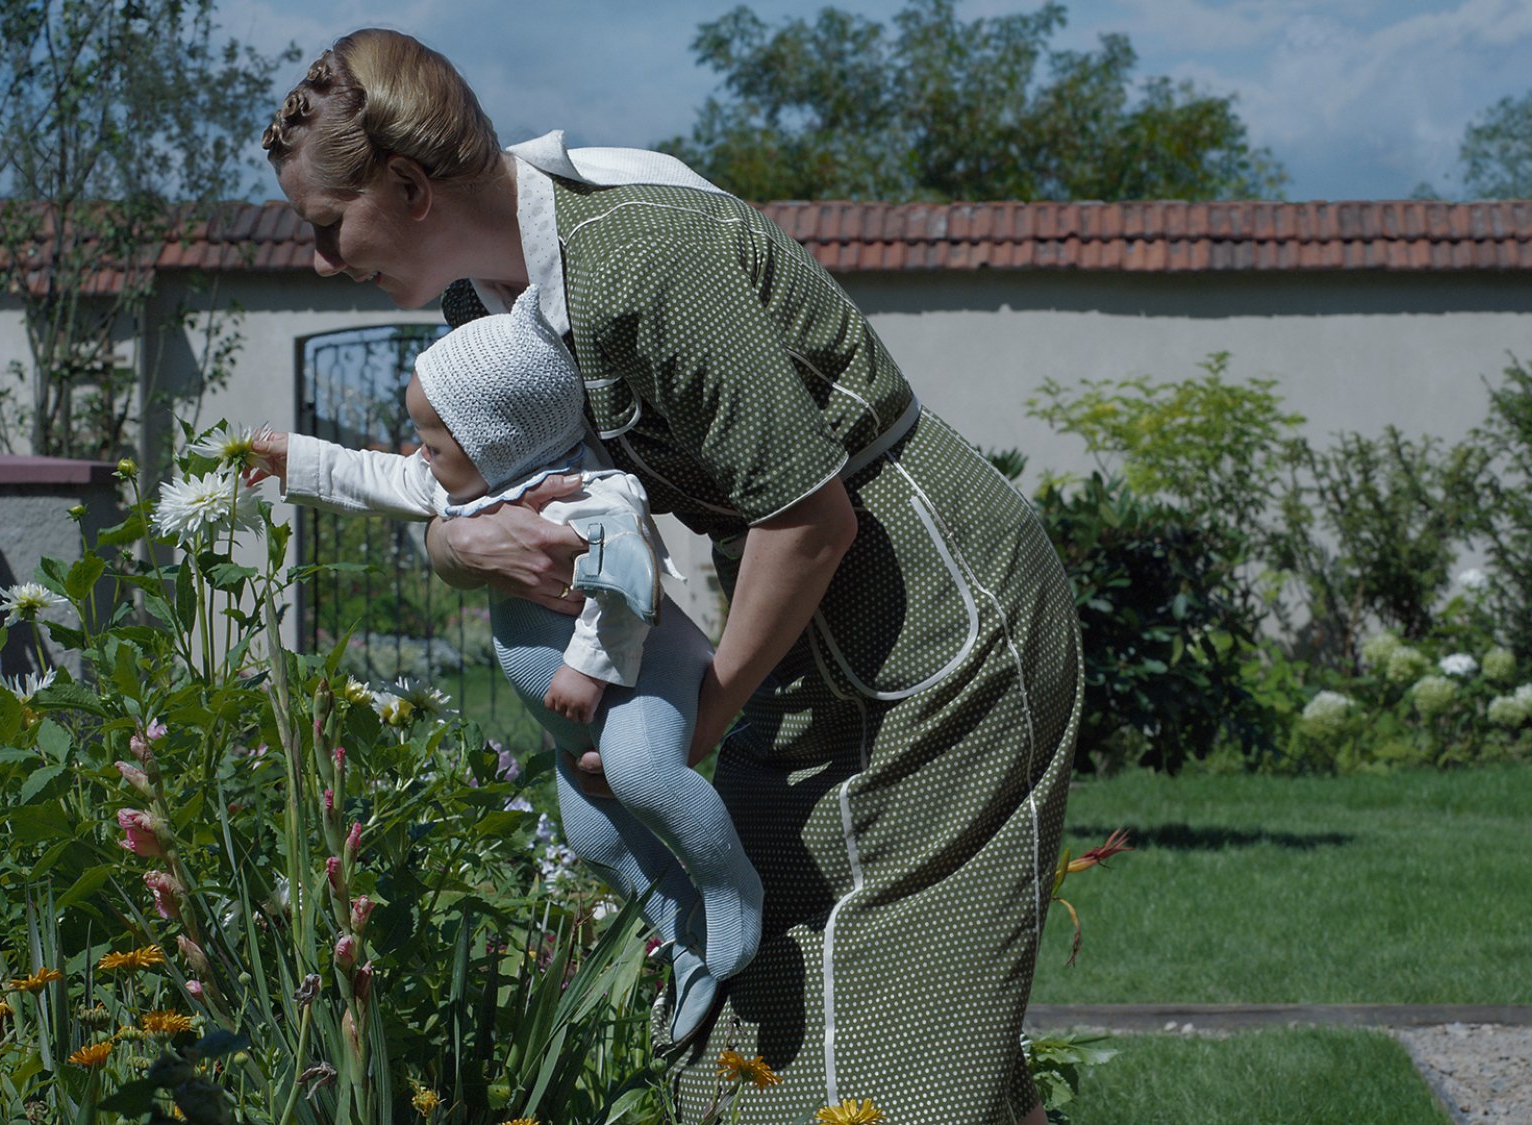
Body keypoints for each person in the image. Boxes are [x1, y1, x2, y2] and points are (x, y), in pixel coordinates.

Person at [258, 28, 1083, 1125]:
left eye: (327, 226)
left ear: (407, 185)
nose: (320, 261)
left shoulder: (640, 261)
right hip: (797, 632)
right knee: (772, 993)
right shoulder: (489, 308)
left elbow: (809, 519)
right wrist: (460, 547)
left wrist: (704, 716)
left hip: (932, 620)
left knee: (884, 1030)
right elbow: (464, 502)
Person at [252, 288, 762, 1045]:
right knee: (595, 840)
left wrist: (587, 669)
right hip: (571, 717)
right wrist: (291, 457)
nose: (417, 450)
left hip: (639, 676)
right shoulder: (471, 487)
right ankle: (680, 926)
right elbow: (374, 476)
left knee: (645, 775)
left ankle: (730, 890)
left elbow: (628, 583)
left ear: (496, 439)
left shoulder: (590, 497)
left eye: (433, 439)